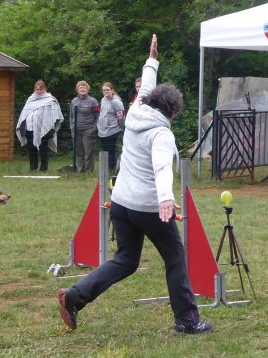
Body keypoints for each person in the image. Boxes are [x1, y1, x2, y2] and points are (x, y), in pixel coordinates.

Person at [58, 34, 214, 335]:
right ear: (173, 112)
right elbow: (161, 168)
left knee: (126, 260)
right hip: (147, 206)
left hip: (121, 203)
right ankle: (187, 321)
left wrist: (152, 59)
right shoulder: (162, 134)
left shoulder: (135, 114)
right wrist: (166, 199)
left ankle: (74, 296)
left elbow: (146, 81)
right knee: (175, 258)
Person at [16, 80, 64, 172]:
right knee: (31, 149)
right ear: (34, 89)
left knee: (43, 149)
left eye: (40, 89)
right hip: (29, 128)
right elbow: (24, 114)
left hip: (44, 129)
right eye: (37, 89)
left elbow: (55, 115)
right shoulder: (30, 99)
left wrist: (51, 127)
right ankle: (33, 168)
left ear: (44, 89)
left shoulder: (50, 100)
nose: (38, 91)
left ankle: (43, 169)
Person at [70, 81, 100, 173]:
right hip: (76, 130)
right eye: (80, 87)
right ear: (77, 89)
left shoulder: (93, 101)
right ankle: (80, 170)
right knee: (78, 151)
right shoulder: (73, 101)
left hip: (88, 130)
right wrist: (72, 127)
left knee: (88, 151)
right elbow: (71, 116)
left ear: (87, 89)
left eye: (84, 87)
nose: (82, 89)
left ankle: (88, 171)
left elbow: (98, 115)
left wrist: (94, 128)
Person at [97, 82, 125, 172]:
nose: (105, 92)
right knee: (105, 150)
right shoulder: (103, 100)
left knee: (111, 151)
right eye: (104, 90)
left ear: (112, 90)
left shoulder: (116, 102)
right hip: (102, 130)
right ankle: (107, 168)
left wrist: (121, 127)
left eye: (107, 90)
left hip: (113, 130)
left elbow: (121, 117)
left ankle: (114, 168)